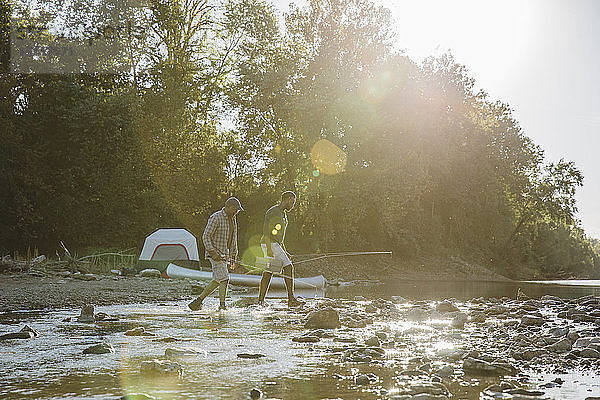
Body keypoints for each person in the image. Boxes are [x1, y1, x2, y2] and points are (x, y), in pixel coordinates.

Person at [188, 197, 243, 311]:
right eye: (235, 209)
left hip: (225, 255)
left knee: (218, 280)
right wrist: (212, 252)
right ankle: (222, 306)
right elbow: (206, 236)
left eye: (238, 210)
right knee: (225, 279)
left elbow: (233, 239)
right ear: (228, 207)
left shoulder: (233, 219)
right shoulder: (216, 217)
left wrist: (233, 256)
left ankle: (198, 301)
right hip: (215, 254)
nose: (237, 212)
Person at [257, 191, 303, 307]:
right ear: (287, 199)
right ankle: (291, 299)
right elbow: (266, 231)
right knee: (288, 267)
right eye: (292, 202)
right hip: (269, 243)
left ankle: (260, 301)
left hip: (275, 244)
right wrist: (269, 249)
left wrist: (285, 251)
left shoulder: (284, 214)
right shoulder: (273, 211)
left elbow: (280, 238)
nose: (293, 205)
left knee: (269, 272)